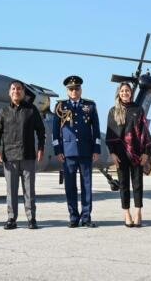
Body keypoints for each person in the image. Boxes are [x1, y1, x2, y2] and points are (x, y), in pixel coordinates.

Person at [0, 80, 46, 230]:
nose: (16, 91)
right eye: (13, 89)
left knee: (29, 190)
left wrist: (40, 148)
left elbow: (41, 130)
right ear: (9, 92)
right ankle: (11, 218)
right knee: (11, 190)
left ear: (23, 92)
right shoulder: (3, 111)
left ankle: (31, 218)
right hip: (9, 157)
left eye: (19, 89)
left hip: (28, 155)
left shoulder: (31, 109)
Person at [52, 75, 101, 228]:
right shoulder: (60, 107)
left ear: (81, 90)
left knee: (86, 185)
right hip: (68, 152)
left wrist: (96, 149)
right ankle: (73, 217)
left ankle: (86, 217)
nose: (74, 91)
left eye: (77, 88)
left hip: (86, 151)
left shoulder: (90, 106)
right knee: (70, 187)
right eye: (71, 89)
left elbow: (96, 129)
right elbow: (55, 132)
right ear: (67, 91)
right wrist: (58, 150)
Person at [105, 82, 151, 228]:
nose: (125, 93)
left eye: (127, 90)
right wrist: (112, 153)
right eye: (122, 91)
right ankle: (127, 213)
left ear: (131, 93)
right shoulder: (113, 111)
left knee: (138, 184)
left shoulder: (138, 109)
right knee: (124, 185)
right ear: (118, 93)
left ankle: (138, 212)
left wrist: (146, 153)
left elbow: (144, 132)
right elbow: (110, 135)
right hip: (120, 154)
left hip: (137, 153)